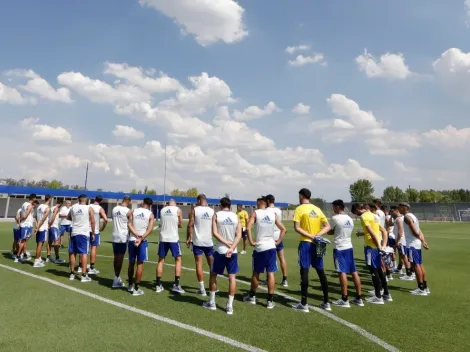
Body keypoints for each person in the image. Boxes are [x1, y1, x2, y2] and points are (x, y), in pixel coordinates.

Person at [292, 188, 331, 312]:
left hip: (306, 243)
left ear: (301, 196)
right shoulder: (317, 209)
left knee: (304, 271)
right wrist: (317, 236)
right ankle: (326, 302)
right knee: (320, 271)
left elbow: (297, 228)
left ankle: (304, 303)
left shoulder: (299, 209)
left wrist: (311, 236)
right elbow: (327, 226)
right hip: (318, 244)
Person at [243, 197, 286, 309]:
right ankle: (270, 301)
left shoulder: (255, 213)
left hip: (260, 247)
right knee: (270, 273)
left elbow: (248, 228)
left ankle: (252, 297)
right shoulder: (273, 214)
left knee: (256, 273)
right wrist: (278, 242)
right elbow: (283, 229)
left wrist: (251, 241)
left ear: (258, 203)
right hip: (271, 246)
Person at [203, 197, 242, 315]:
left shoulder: (216, 215)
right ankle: (229, 306)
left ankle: (212, 302)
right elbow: (239, 235)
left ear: (220, 205)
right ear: (230, 206)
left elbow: (214, 233)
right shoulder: (236, 216)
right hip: (233, 251)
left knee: (213, 275)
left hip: (220, 250)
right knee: (232, 277)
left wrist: (226, 244)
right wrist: (231, 248)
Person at [351, 203, 392, 304]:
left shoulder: (364, 217)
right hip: (377, 246)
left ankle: (378, 297)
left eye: (356, 213)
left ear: (358, 209)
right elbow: (384, 232)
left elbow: (372, 233)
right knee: (379, 270)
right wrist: (383, 246)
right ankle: (386, 293)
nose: (357, 215)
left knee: (374, 271)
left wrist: (378, 246)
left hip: (371, 248)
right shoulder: (374, 216)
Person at [328, 200, 364, 308]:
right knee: (354, 271)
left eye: (333, 207)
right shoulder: (350, 219)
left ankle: (344, 298)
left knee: (341, 272)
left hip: (339, 248)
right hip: (349, 247)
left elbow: (329, 231)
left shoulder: (335, 218)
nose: (333, 209)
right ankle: (359, 297)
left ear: (338, 207)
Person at [398, 202, 430, 296]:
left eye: (399, 207)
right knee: (419, 265)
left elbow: (415, 231)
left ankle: (421, 289)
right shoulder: (413, 216)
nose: (398, 209)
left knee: (416, 266)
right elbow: (419, 230)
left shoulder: (407, 217)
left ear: (404, 208)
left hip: (412, 245)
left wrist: (421, 239)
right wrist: (423, 241)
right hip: (416, 244)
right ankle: (425, 287)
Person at [186, 194, 214, 296]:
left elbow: (190, 225)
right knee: (212, 264)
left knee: (198, 264)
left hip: (197, 242)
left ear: (198, 201)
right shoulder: (211, 211)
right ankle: (213, 287)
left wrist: (189, 237)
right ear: (205, 201)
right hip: (209, 242)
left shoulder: (195, 210)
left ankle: (202, 289)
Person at [127, 197, 155, 296]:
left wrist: (136, 235)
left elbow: (129, 224)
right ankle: (136, 288)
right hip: (142, 242)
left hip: (132, 240)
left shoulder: (134, 211)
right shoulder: (150, 215)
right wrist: (141, 237)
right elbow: (150, 229)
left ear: (143, 203)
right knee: (140, 264)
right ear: (150, 205)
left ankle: (130, 285)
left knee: (131, 263)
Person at [156, 200, 184, 294]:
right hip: (173, 238)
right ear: (175, 204)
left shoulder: (162, 210)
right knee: (178, 259)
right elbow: (181, 224)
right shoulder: (178, 210)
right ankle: (176, 284)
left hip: (163, 238)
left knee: (160, 260)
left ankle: (158, 284)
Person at [67, 194, 94, 282]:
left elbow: (68, 217)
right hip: (84, 233)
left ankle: (71, 273)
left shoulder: (73, 207)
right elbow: (93, 221)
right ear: (86, 200)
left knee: (73, 252)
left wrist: (76, 220)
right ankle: (83, 275)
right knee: (84, 253)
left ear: (78, 200)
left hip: (74, 232)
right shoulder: (89, 208)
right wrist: (93, 233)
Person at [265, 194, 288, 287]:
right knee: (281, 258)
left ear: (267, 201)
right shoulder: (278, 210)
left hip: (270, 237)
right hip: (279, 235)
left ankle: (269, 279)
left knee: (269, 259)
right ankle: (285, 279)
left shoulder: (266, 211)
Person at [111, 196, 132, 288]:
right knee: (119, 258)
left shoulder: (114, 209)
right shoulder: (128, 211)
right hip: (122, 236)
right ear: (129, 202)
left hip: (114, 235)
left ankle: (117, 277)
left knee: (116, 257)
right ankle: (116, 279)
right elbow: (130, 224)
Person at [389, 206, 414, 280]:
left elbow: (400, 231)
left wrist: (397, 241)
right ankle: (410, 272)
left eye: (392, 211)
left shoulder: (399, 219)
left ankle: (409, 274)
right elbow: (390, 224)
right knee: (404, 256)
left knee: (404, 256)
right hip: (402, 240)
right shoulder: (399, 218)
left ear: (396, 211)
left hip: (401, 241)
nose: (391, 213)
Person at [89, 196, 108, 275]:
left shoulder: (88, 206)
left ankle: (80, 266)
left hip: (86, 230)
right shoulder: (100, 208)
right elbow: (106, 219)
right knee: (93, 248)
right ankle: (91, 267)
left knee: (85, 249)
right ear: (101, 201)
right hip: (95, 230)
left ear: (94, 199)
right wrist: (102, 228)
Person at [16, 194, 37, 263]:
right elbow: (25, 216)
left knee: (24, 241)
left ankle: (22, 254)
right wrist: (21, 220)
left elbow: (22, 213)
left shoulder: (24, 204)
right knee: (23, 241)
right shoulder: (30, 206)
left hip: (27, 225)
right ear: (33, 198)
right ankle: (18, 256)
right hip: (26, 225)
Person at [33, 194, 52, 268]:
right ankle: (36, 261)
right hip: (43, 228)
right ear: (49, 199)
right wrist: (38, 227)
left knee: (38, 244)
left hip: (39, 227)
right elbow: (43, 219)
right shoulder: (47, 208)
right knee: (40, 244)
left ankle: (39, 258)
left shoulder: (39, 206)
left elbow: (36, 217)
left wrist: (37, 226)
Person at [48, 198, 65, 264]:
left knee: (50, 242)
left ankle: (48, 256)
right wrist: (51, 224)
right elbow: (54, 216)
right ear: (60, 203)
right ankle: (57, 258)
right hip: (54, 226)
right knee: (56, 242)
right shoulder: (57, 208)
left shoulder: (52, 207)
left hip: (51, 226)